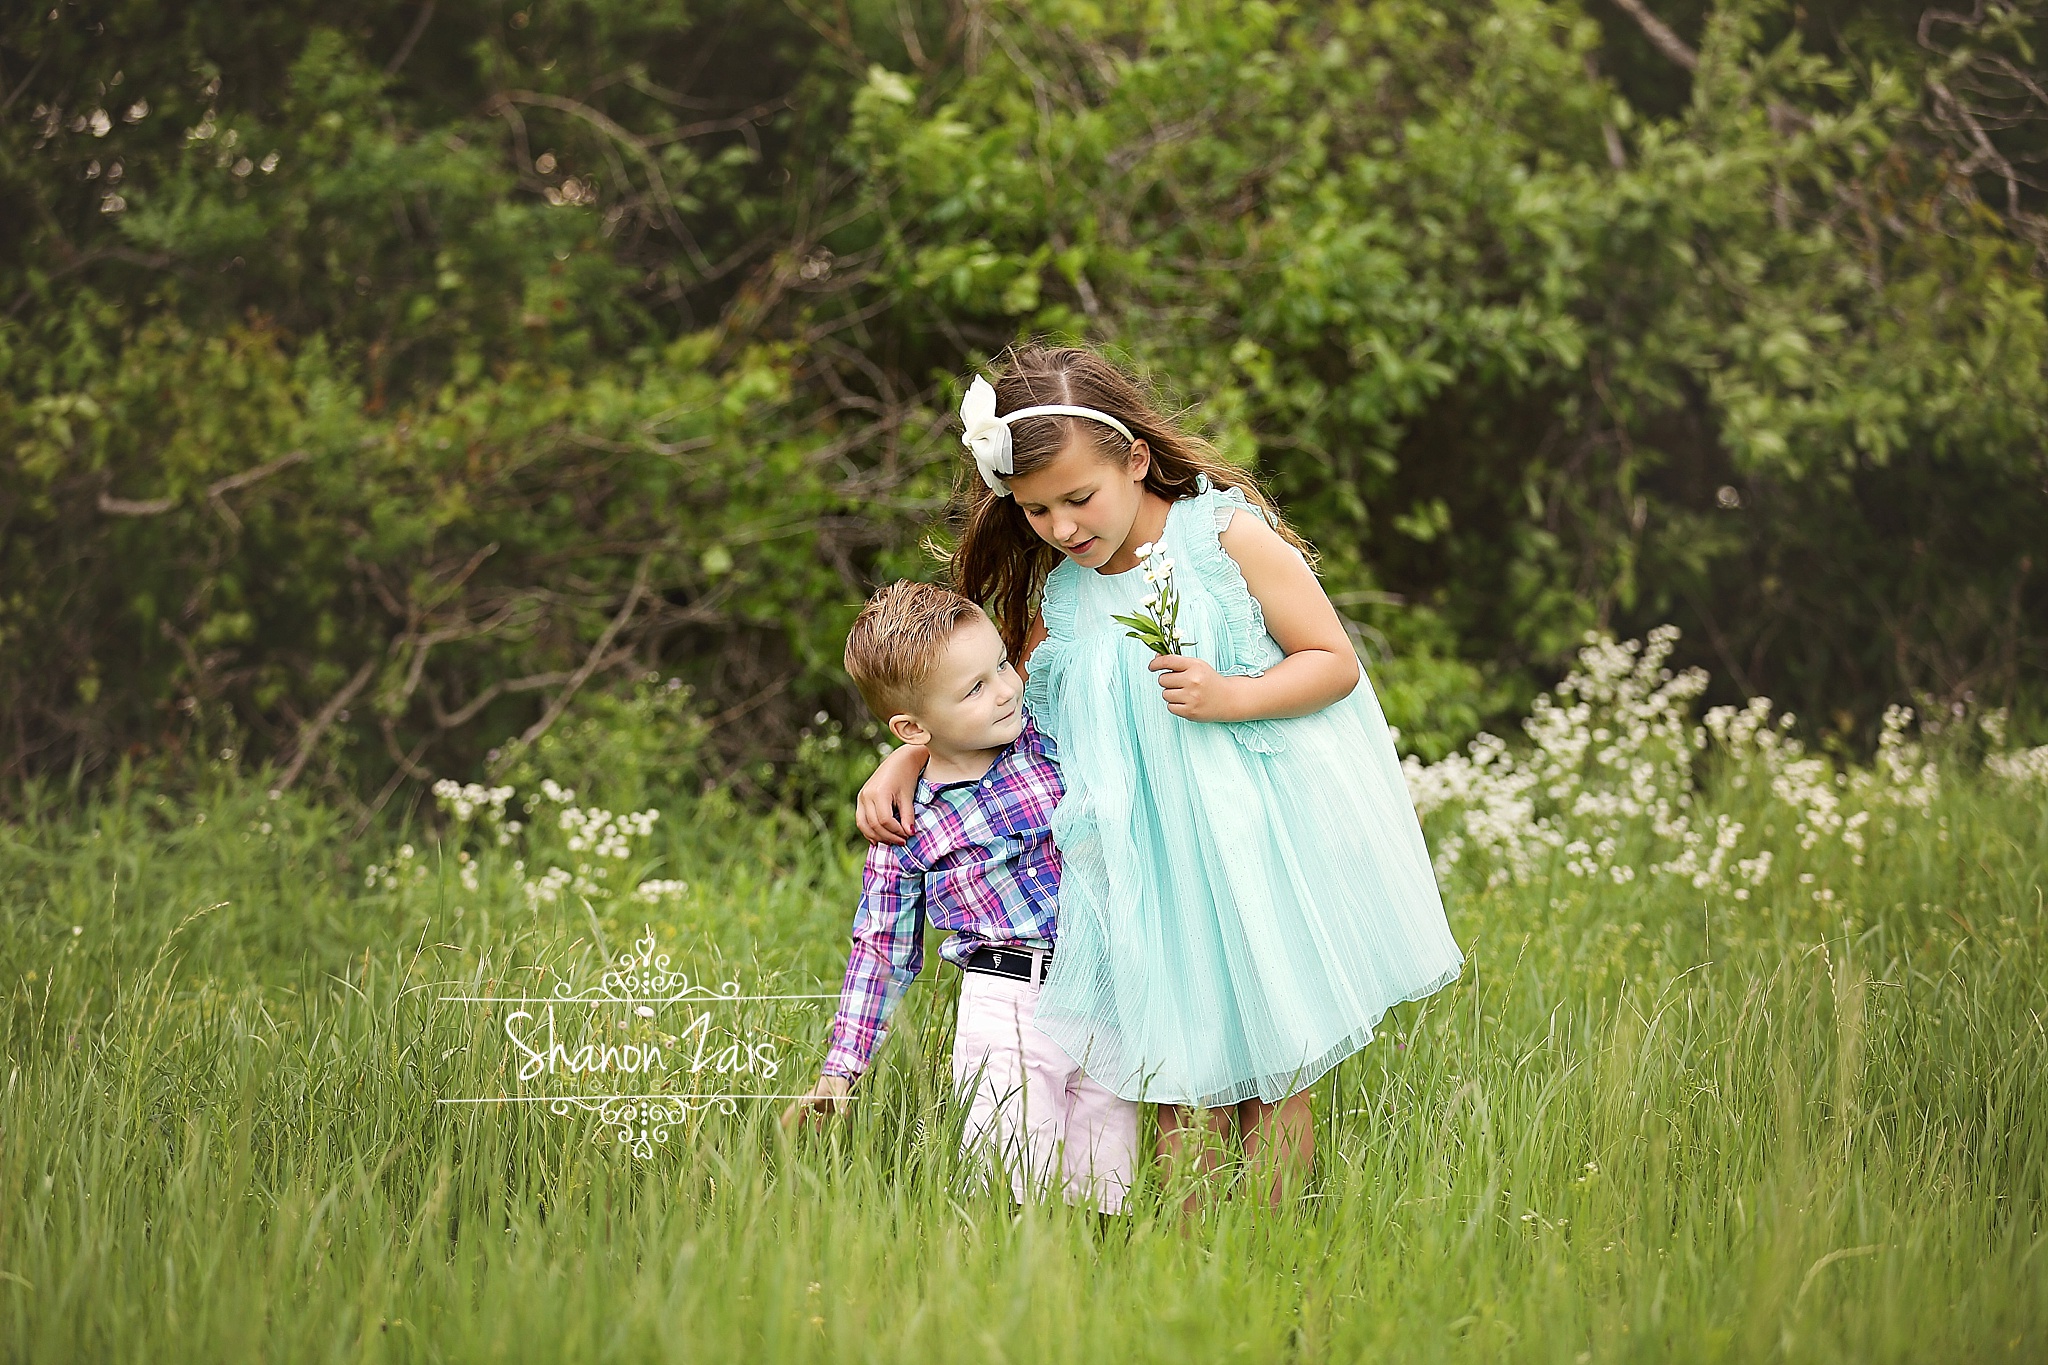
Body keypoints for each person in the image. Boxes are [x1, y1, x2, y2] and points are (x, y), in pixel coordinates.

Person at [857, 345, 1463, 1203]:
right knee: (1176, 1077)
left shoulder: (1222, 539)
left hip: (1245, 839)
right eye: (1035, 511)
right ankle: (1188, 1265)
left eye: (1078, 497)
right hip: (1147, 866)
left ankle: (1267, 1247)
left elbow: (1332, 661)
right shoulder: (1062, 599)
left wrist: (1233, 694)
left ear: (1135, 458)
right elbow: (998, 714)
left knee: (1273, 1067)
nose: (1063, 527)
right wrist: (911, 752)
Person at [784, 581, 1139, 1215]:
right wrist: (842, 1068)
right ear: (912, 726)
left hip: (1103, 990)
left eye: (1002, 664)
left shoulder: (1048, 740)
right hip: (1008, 1007)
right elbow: (882, 950)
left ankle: (1095, 1300)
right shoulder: (905, 821)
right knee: (1016, 1190)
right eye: (974, 688)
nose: (1005, 689)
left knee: (1108, 1188)